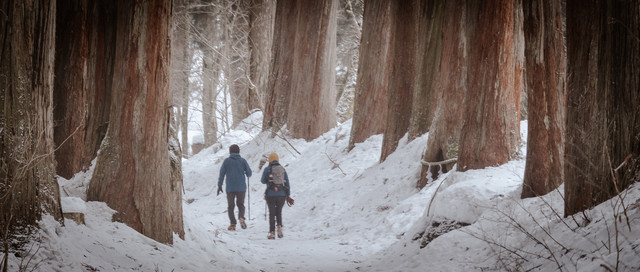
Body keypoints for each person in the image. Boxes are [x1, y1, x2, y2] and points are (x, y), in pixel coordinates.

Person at [218, 144, 252, 231]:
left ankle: (232, 224)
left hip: (230, 188)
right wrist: (244, 172)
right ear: (238, 151)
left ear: (230, 151)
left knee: (231, 206)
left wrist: (219, 185)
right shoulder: (243, 161)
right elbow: (249, 173)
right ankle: (241, 217)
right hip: (241, 187)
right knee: (240, 204)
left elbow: (222, 174)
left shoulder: (226, 161)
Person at [261, 152, 291, 239]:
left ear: (269, 160)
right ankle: (279, 228)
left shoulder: (267, 169)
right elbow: (287, 182)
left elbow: (263, 181)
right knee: (279, 212)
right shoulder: (282, 169)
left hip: (270, 194)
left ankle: (272, 232)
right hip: (282, 194)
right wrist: (288, 194)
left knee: (272, 213)